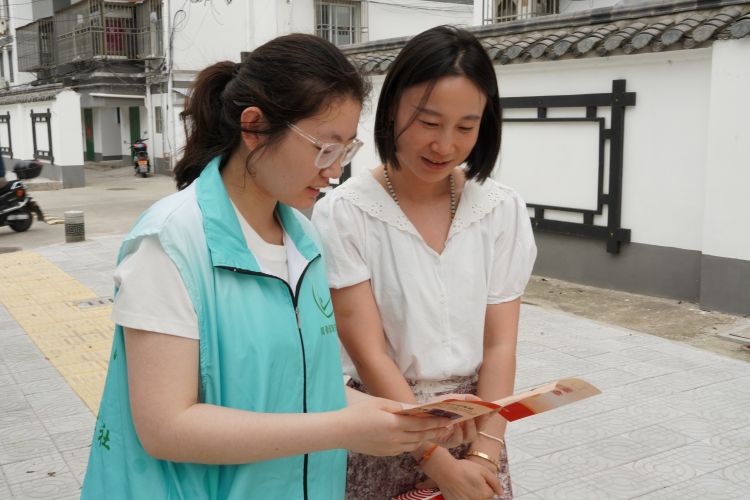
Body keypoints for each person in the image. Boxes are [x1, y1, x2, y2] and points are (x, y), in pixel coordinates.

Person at [81, 33, 468, 500]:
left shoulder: (303, 239)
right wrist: (342, 428)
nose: (334, 171)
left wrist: (399, 419)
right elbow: (166, 428)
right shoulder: (170, 243)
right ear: (254, 127)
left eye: (346, 151)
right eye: (325, 148)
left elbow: (306, 387)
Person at [312, 25, 537, 500]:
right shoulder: (345, 213)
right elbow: (370, 354)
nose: (445, 145)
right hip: (387, 426)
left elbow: (500, 346)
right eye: (429, 123)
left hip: (478, 426)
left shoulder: (501, 209)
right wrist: (437, 461)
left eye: (466, 127)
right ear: (393, 108)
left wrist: (484, 455)